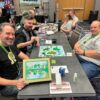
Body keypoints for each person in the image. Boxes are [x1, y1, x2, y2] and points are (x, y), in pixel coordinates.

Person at [0, 23, 29, 96]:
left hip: (18, 75)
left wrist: (30, 69)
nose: (11, 37)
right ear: (0, 34)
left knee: (37, 80)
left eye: (13, 34)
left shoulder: (10, 45)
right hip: (6, 86)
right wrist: (16, 82)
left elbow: (25, 58)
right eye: (8, 34)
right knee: (31, 87)